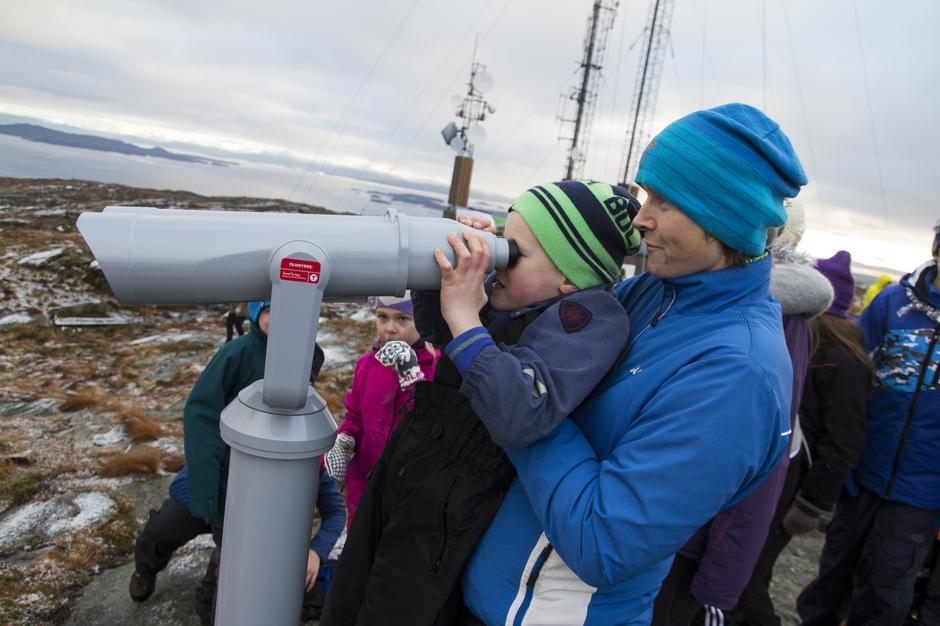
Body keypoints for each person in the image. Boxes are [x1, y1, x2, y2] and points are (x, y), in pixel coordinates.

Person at [451, 103, 803, 625]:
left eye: (664, 200)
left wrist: (525, 404)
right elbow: (537, 342)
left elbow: (604, 542)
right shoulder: (648, 292)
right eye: (644, 194)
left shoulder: (739, 373)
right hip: (495, 600)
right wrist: (493, 277)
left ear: (721, 216)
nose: (641, 218)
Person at [321, 179, 645, 626]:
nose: (499, 260)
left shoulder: (588, 322)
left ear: (570, 278)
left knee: (390, 609)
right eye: (500, 244)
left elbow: (520, 411)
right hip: (409, 464)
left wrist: (466, 316)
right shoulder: (522, 294)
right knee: (351, 590)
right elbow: (440, 334)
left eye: (514, 253)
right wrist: (450, 282)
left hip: (449, 507)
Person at [653, 205, 834, 625]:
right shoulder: (683, 288)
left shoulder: (778, 321)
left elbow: (764, 451)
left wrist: (721, 581)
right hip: (656, 523)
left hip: (685, 539)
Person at [797, 224, 940, 625]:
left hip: (922, 490)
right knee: (833, 571)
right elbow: (857, 380)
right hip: (864, 470)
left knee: (887, 588)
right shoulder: (893, 304)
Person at [732, 250, 871, 625]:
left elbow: (844, 440)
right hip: (779, 483)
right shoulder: (809, 345)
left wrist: (811, 505)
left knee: (747, 582)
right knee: (749, 578)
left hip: (791, 493)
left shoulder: (841, 360)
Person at [181, 299, 326, 623]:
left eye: (290, 309)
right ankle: (212, 605)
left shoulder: (307, 355)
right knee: (233, 553)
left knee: (255, 552)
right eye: (271, 310)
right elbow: (200, 414)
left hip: (275, 480)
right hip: (231, 482)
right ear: (255, 313)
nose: (281, 319)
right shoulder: (236, 354)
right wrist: (206, 488)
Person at [128, 464, 345, 621]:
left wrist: (316, 551)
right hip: (209, 508)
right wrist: (230, 517)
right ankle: (145, 568)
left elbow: (335, 512)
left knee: (214, 603)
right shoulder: (234, 435)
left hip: (253, 534)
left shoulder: (308, 458)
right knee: (167, 525)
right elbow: (183, 486)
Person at [323, 293, 438, 527]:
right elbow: (355, 414)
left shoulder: (436, 366)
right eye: (382, 317)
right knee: (360, 545)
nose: (390, 328)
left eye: (403, 319)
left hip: (412, 484)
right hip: (365, 480)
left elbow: (430, 419)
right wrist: (346, 439)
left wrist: (411, 376)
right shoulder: (367, 364)